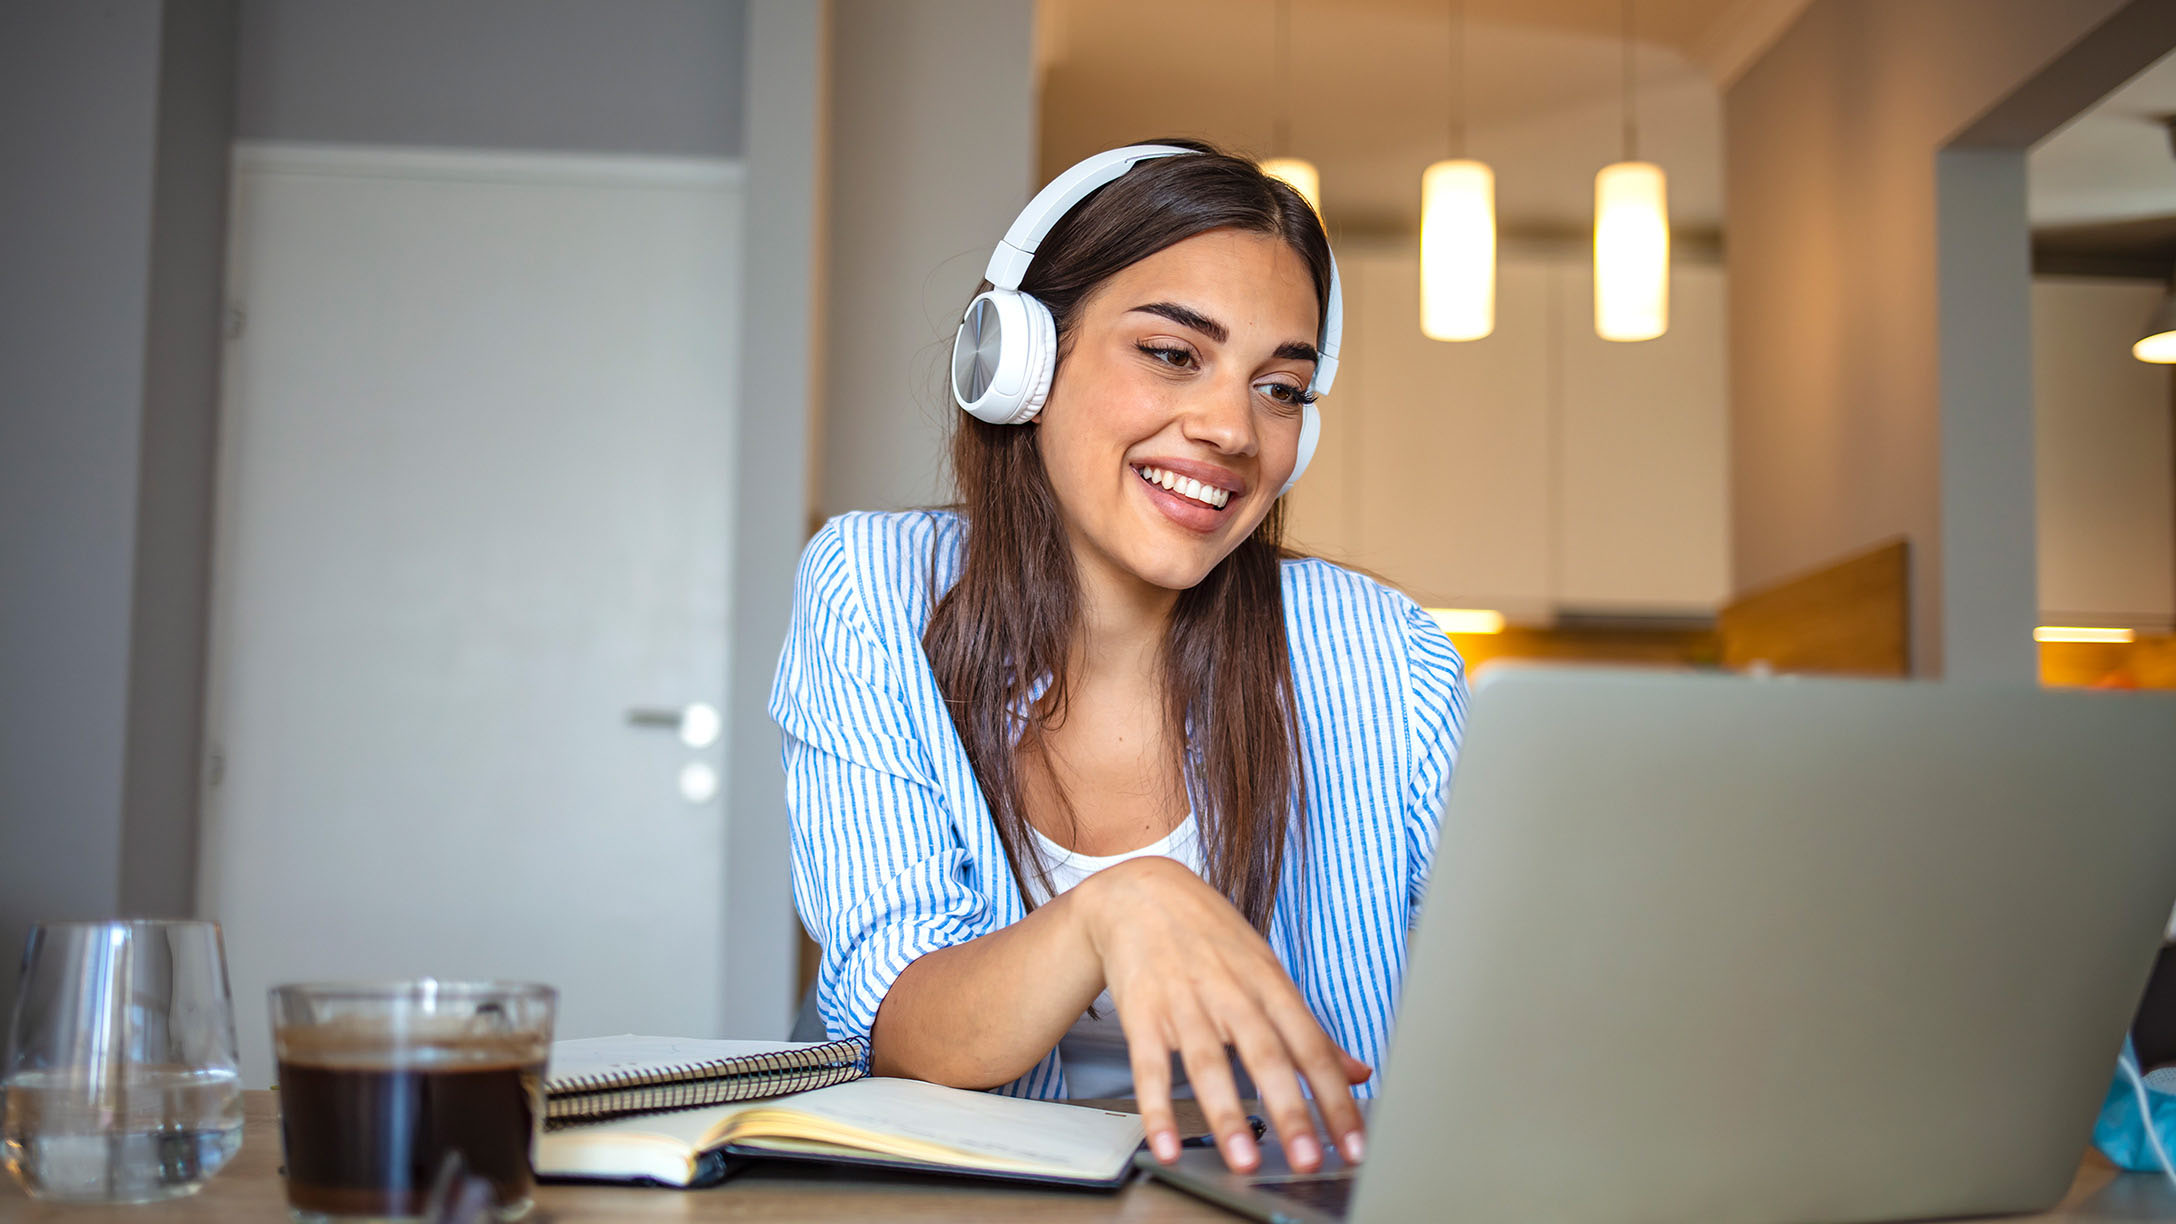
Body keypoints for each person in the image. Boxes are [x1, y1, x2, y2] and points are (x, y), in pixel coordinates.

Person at [770, 140, 1467, 1177]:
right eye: (1173, 354)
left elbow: (1508, 1004)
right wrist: (1118, 906)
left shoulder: (1386, 654)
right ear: (1021, 366)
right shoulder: (873, 590)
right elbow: (897, 1017)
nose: (1233, 427)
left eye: (1280, 388)